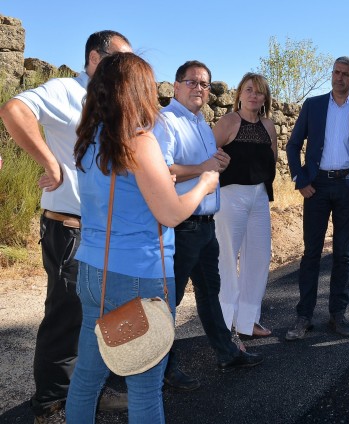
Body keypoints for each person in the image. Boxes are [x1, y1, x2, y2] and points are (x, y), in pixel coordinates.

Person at [65, 52, 220, 424]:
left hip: (92, 270)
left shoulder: (89, 141)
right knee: (146, 385)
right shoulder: (139, 141)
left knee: (88, 375)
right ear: (138, 91)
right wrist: (203, 185)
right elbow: (169, 213)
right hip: (140, 274)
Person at [0, 30, 132, 423]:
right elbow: (13, 110)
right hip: (71, 229)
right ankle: (50, 404)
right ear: (95, 57)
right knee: (66, 317)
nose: (125, 67)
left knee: (101, 316)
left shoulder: (110, 102)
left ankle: (91, 388)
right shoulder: (65, 91)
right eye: (118, 58)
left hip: (106, 231)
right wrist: (49, 162)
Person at [155, 61, 264, 390]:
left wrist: (219, 162)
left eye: (204, 84)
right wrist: (204, 166)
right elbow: (162, 170)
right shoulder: (166, 121)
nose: (199, 89)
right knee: (168, 301)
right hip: (181, 224)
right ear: (175, 87)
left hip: (206, 225)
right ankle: (163, 369)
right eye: (192, 82)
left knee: (209, 293)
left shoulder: (201, 123)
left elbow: (206, 167)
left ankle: (226, 352)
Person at [285, 56, 349, 340]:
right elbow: (293, 145)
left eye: (345, 74)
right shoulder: (313, 106)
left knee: (343, 253)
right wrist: (300, 179)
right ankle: (303, 316)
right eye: (336, 72)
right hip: (315, 187)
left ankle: (337, 315)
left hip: (348, 189)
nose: (339, 77)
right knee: (311, 254)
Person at [213, 73, 277, 349]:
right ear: (239, 93)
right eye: (249, 90)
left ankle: (248, 319)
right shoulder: (228, 122)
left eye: (259, 92)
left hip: (259, 196)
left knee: (260, 257)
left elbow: (271, 159)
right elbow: (207, 155)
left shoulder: (269, 125)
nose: (254, 95)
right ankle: (226, 328)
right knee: (227, 259)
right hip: (231, 196)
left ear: (265, 98)